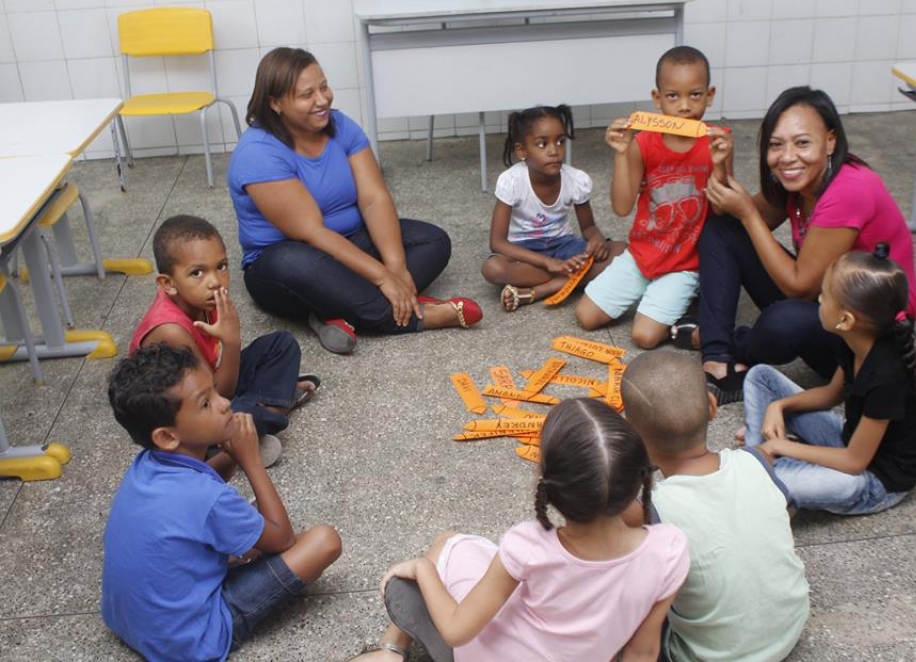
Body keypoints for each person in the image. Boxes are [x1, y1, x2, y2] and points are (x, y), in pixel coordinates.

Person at [346, 398, 690, 661]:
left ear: (548, 483)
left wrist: (422, 567)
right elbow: (642, 652)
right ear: (638, 478)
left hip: (490, 652)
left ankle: (390, 649)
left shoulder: (529, 546)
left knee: (447, 544)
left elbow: (456, 631)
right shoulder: (670, 551)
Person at [227, 46, 481, 356]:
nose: (323, 100)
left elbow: (374, 198)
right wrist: (381, 277)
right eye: (307, 95)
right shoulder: (258, 152)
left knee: (432, 240)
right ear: (275, 103)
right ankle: (418, 316)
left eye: (323, 87)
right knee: (294, 263)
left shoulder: (341, 125)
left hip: (351, 242)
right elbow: (312, 232)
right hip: (287, 262)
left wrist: (396, 267)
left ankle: (333, 311)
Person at [102, 344, 342, 661]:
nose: (225, 403)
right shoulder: (207, 497)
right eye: (206, 403)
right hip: (191, 641)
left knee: (247, 520)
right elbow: (282, 539)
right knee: (324, 541)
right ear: (167, 436)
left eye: (215, 391)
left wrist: (232, 453)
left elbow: (201, 491)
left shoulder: (146, 465)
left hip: (129, 621)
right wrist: (251, 460)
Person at [695, 86, 916, 404]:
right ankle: (718, 359)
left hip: (866, 330)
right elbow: (729, 225)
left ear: (831, 141)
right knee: (720, 229)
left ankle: (732, 341)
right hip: (827, 298)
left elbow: (799, 287)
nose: (787, 157)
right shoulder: (796, 182)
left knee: (783, 322)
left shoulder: (850, 189)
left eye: (802, 143)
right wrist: (721, 165)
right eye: (776, 144)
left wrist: (747, 213)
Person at [621, 351, 809, 662]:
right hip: (789, 629)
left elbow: (605, 509)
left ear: (633, 435)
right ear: (712, 406)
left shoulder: (652, 509)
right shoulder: (757, 462)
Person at [740, 245, 916, 515]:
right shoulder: (855, 341)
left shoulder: (888, 377)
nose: (819, 301)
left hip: (872, 480)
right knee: (760, 376)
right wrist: (778, 406)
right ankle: (766, 463)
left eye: (824, 296)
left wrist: (780, 445)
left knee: (833, 483)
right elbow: (831, 394)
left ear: (845, 319)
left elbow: (854, 462)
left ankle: (766, 464)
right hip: (849, 441)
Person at [130, 215, 318, 467]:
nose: (215, 281)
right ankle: (263, 416)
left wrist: (230, 345)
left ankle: (260, 416)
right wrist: (232, 342)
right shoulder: (171, 330)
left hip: (208, 386)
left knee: (281, 344)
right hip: (185, 414)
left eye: (221, 266)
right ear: (168, 283)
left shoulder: (204, 298)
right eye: (197, 272)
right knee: (236, 409)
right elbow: (217, 395)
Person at [575, 46, 727, 349]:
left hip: (685, 262)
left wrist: (720, 163)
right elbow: (621, 207)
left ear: (710, 95)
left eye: (695, 95)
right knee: (586, 316)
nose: (684, 106)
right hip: (643, 252)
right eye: (673, 96)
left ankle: (689, 298)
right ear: (657, 98)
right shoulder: (643, 143)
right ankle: (660, 296)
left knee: (643, 337)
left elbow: (724, 210)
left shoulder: (717, 142)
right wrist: (621, 154)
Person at [481, 104, 625, 310]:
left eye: (560, 141)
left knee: (623, 252)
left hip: (563, 245)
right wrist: (548, 263)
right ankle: (574, 277)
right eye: (542, 144)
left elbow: (588, 228)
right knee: (493, 269)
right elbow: (497, 242)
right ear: (522, 151)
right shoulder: (512, 181)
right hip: (524, 249)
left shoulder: (576, 179)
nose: (554, 151)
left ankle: (538, 291)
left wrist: (597, 239)